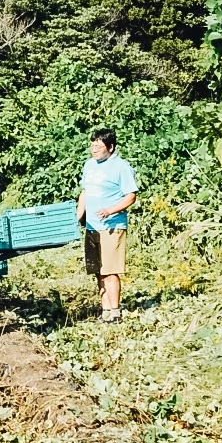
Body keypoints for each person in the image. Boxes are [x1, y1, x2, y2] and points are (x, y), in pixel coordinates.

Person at [76, 128, 138, 322]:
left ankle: (115, 311)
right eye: (92, 144)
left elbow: (131, 196)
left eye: (98, 145)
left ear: (110, 147)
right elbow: (85, 193)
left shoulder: (121, 167)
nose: (93, 148)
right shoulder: (89, 165)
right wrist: (78, 217)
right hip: (92, 226)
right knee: (97, 269)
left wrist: (110, 210)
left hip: (112, 225)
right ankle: (105, 311)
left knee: (110, 270)